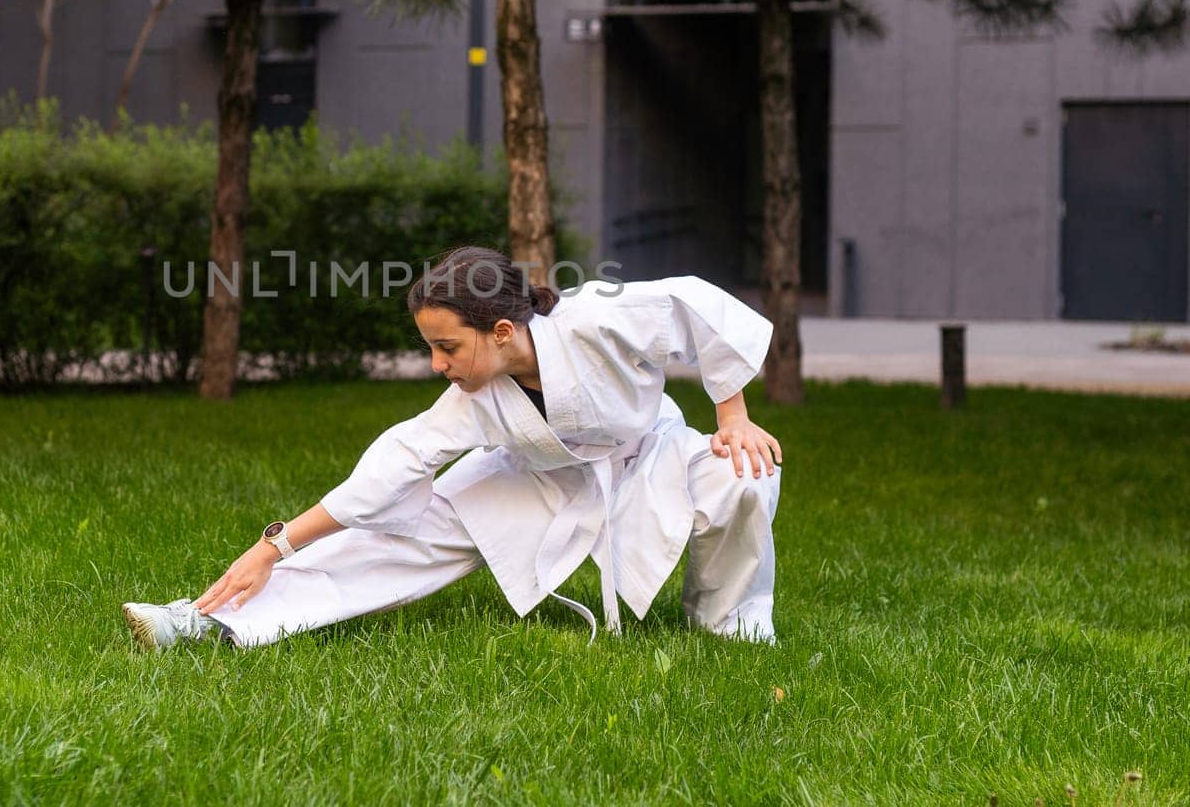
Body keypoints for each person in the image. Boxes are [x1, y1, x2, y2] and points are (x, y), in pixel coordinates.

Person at [122, 246, 784, 649]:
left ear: (500, 331)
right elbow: (389, 470)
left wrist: (733, 414)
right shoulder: (473, 399)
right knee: (399, 529)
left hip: (650, 454)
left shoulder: (596, 317)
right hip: (537, 476)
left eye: (447, 348)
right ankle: (208, 621)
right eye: (430, 348)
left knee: (745, 474)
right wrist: (273, 546)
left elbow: (694, 304)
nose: (438, 365)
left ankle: (731, 630)